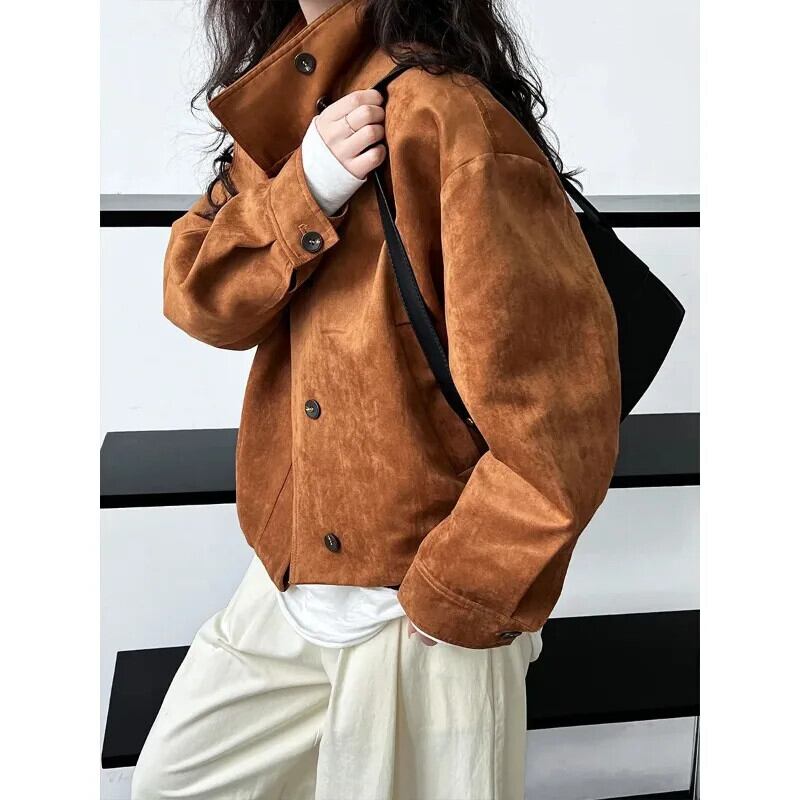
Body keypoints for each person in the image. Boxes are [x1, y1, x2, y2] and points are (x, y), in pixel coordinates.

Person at [131, 0, 621, 797]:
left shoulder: (448, 114)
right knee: (173, 781)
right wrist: (305, 189)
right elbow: (201, 298)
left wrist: (452, 592)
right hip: (290, 577)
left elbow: (558, 415)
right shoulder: (291, 103)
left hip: (415, 606)